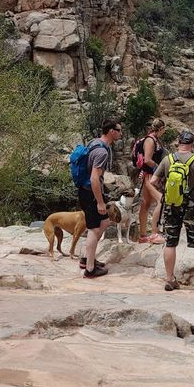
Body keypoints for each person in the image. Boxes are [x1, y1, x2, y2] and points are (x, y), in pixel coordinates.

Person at [152, 130, 194, 295]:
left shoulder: (168, 159)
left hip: (172, 205)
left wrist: (165, 191)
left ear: (178, 143)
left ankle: (170, 279)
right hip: (191, 206)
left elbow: (152, 181)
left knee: (170, 242)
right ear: (192, 144)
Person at [78, 119, 122, 278]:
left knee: (104, 222)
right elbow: (95, 178)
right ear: (111, 131)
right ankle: (89, 269)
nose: (120, 133)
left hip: (86, 191)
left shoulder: (93, 142)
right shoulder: (102, 152)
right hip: (91, 193)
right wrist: (100, 202)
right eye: (119, 130)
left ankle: (86, 258)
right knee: (94, 229)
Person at [137, 118, 167, 244]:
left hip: (148, 175)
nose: (164, 132)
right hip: (149, 176)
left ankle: (143, 235)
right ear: (160, 129)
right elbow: (147, 159)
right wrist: (159, 169)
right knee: (161, 200)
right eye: (163, 130)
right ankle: (154, 233)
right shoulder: (150, 140)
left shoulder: (153, 139)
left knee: (146, 204)